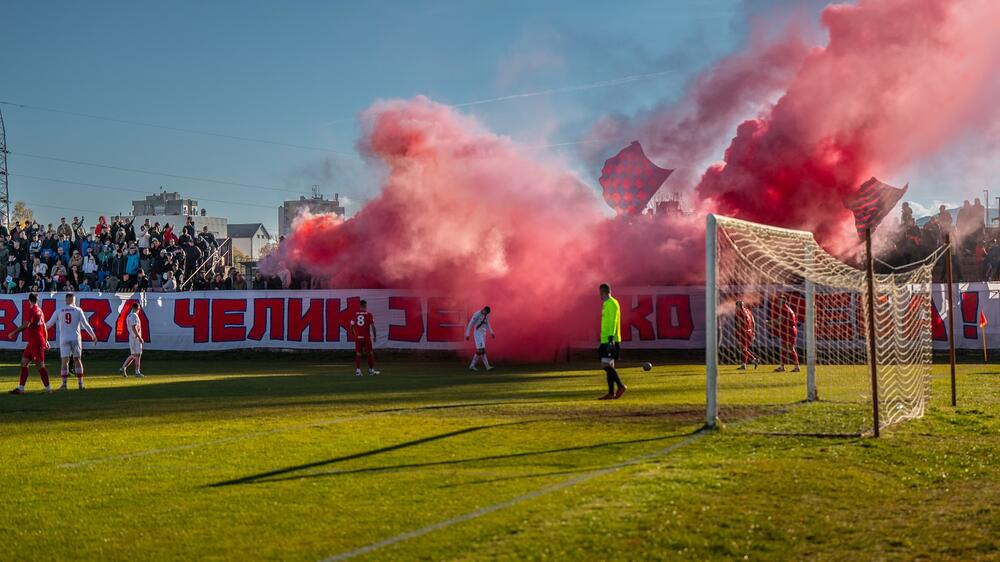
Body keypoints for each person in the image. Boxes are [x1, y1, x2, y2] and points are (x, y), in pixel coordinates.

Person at [46, 293, 98, 390]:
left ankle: (64, 384)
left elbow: (49, 324)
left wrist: (39, 328)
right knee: (77, 359)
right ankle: (80, 384)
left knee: (64, 361)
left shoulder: (59, 310)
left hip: (64, 338)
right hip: (75, 338)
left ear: (66, 300)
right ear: (73, 300)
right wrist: (93, 335)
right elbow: (85, 324)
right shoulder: (78, 310)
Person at [7, 293, 52, 394]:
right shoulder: (40, 310)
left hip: (36, 341)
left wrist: (14, 332)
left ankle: (48, 389)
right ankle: (21, 389)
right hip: (33, 341)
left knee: (40, 365)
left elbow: (26, 325)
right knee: (24, 363)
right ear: (37, 300)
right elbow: (44, 327)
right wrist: (46, 339)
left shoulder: (33, 310)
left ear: (29, 300)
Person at [598, 283, 626, 400]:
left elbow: (613, 321)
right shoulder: (605, 304)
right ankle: (611, 393)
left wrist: (610, 338)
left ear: (602, 292)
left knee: (605, 365)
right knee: (609, 365)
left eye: (599, 292)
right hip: (605, 338)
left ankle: (621, 386)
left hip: (611, 339)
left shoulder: (612, 303)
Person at [350, 299, 379, 376]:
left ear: (360, 306)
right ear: (365, 306)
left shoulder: (355, 314)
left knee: (358, 353)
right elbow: (373, 326)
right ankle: (370, 371)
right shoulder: (369, 314)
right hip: (366, 337)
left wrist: (354, 334)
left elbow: (351, 326)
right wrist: (375, 336)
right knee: (370, 353)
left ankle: (358, 371)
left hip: (358, 337)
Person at [771, 295, 800, 372]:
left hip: (789, 331)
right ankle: (782, 367)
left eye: (780, 300)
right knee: (784, 348)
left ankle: (797, 367)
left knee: (790, 348)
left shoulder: (785, 309)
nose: (778, 302)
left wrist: (770, 323)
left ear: (784, 301)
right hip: (787, 330)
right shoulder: (786, 308)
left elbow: (780, 320)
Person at [465, 305, 496, 371]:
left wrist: (491, 332)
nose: (486, 314)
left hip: (483, 334)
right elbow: (470, 324)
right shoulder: (476, 314)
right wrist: (467, 334)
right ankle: (474, 365)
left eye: (487, 313)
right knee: (481, 350)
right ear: (484, 310)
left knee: (482, 350)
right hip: (478, 333)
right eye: (486, 312)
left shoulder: (486, 315)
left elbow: (488, 324)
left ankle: (486, 366)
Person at [119, 303, 144, 378]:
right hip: (135, 337)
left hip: (132, 336)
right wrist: (139, 337)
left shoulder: (129, 315)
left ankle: (123, 368)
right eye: (139, 308)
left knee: (134, 355)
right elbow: (134, 327)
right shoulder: (134, 315)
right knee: (138, 355)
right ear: (137, 308)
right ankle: (137, 372)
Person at [735, 300, 759, 370]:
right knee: (745, 349)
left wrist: (737, 333)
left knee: (743, 349)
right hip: (750, 332)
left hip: (743, 332)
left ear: (737, 306)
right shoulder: (748, 311)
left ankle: (754, 359)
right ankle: (743, 365)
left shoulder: (739, 312)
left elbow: (739, 323)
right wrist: (754, 332)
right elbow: (753, 322)